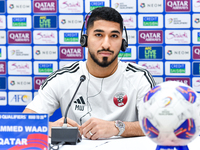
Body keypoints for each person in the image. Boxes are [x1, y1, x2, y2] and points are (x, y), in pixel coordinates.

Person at [23, 7, 156, 140]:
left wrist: (117, 127)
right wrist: (49, 127)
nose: (106, 44)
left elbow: (156, 125)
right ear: (85, 40)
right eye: (98, 35)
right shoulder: (63, 78)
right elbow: (23, 122)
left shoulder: (139, 78)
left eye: (114, 36)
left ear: (123, 43)